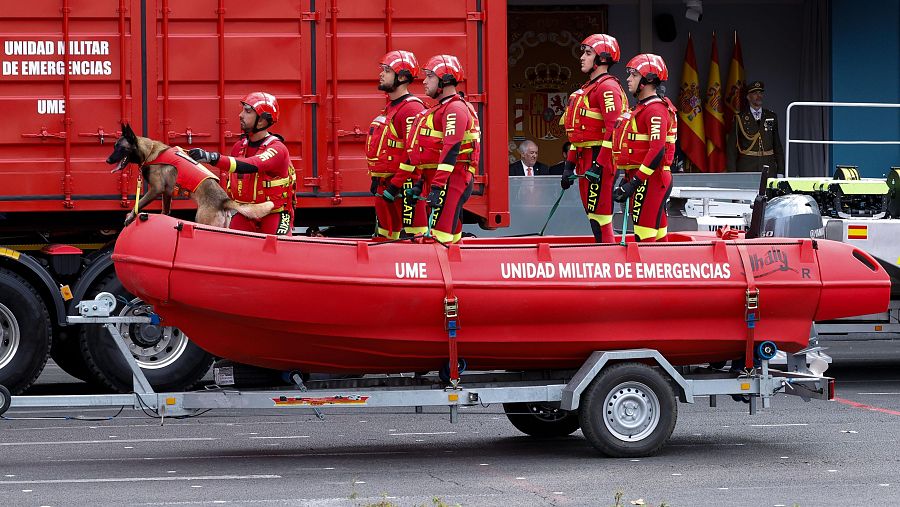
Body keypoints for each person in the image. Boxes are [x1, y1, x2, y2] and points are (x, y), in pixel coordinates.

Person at [188, 92, 296, 235]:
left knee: (278, 250)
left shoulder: (278, 149)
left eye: (247, 111)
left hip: (274, 214)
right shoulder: (239, 147)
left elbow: (253, 164)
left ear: (262, 121)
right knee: (231, 249)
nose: (240, 115)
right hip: (245, 213)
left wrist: (212, 158)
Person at [560, 34, 628, 243]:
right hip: (585, 157)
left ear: (603, 59)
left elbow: (613, 130)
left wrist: (599, 165)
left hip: (599, 158)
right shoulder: (590, 88)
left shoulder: (607, 88)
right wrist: (569, 165)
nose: (582, 57)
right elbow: (578, 135)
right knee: (593, 215)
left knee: (600, 216)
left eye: (588, 53)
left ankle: (608, 258)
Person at [407, 54, 481, 244]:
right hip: (442, 181)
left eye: (430, 76)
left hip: (452, 181)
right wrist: (420, 182)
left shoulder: (455, 109)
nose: (424, 81)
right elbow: (431, 153)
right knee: (450, 236)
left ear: (445, 80)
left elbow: (451, 150)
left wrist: (437, 186)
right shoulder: (442, 108)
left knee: (440, 238)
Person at [611, 54, 678, 243]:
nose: (628, 79)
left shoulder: (655, 110)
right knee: (658, 237)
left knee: (644, 237)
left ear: (647, 80)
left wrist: (634, 184)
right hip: (645, 179)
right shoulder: (643, 108)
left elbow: (657, 151)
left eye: (633, 74)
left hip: (651, 180)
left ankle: (651, 272)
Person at [365, 50, 426, 239]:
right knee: (385, 237)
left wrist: (395, 185)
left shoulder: (411, 108)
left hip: (405, 187)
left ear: (402, 77)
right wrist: (378, 179)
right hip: (387, 185)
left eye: (387, 70)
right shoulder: (392, 106)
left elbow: (413, 153)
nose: (381, 74)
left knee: (414, 239)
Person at [726, 80, 784, 173]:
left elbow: (777, 145)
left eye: (760, 93)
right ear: (748, 97)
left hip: (768, 166)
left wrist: (781, 171)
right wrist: (732, 173)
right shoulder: (740, 118)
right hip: (747, 167)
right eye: (755, 93)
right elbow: (731, 148)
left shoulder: (771, 116)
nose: (759, 96)